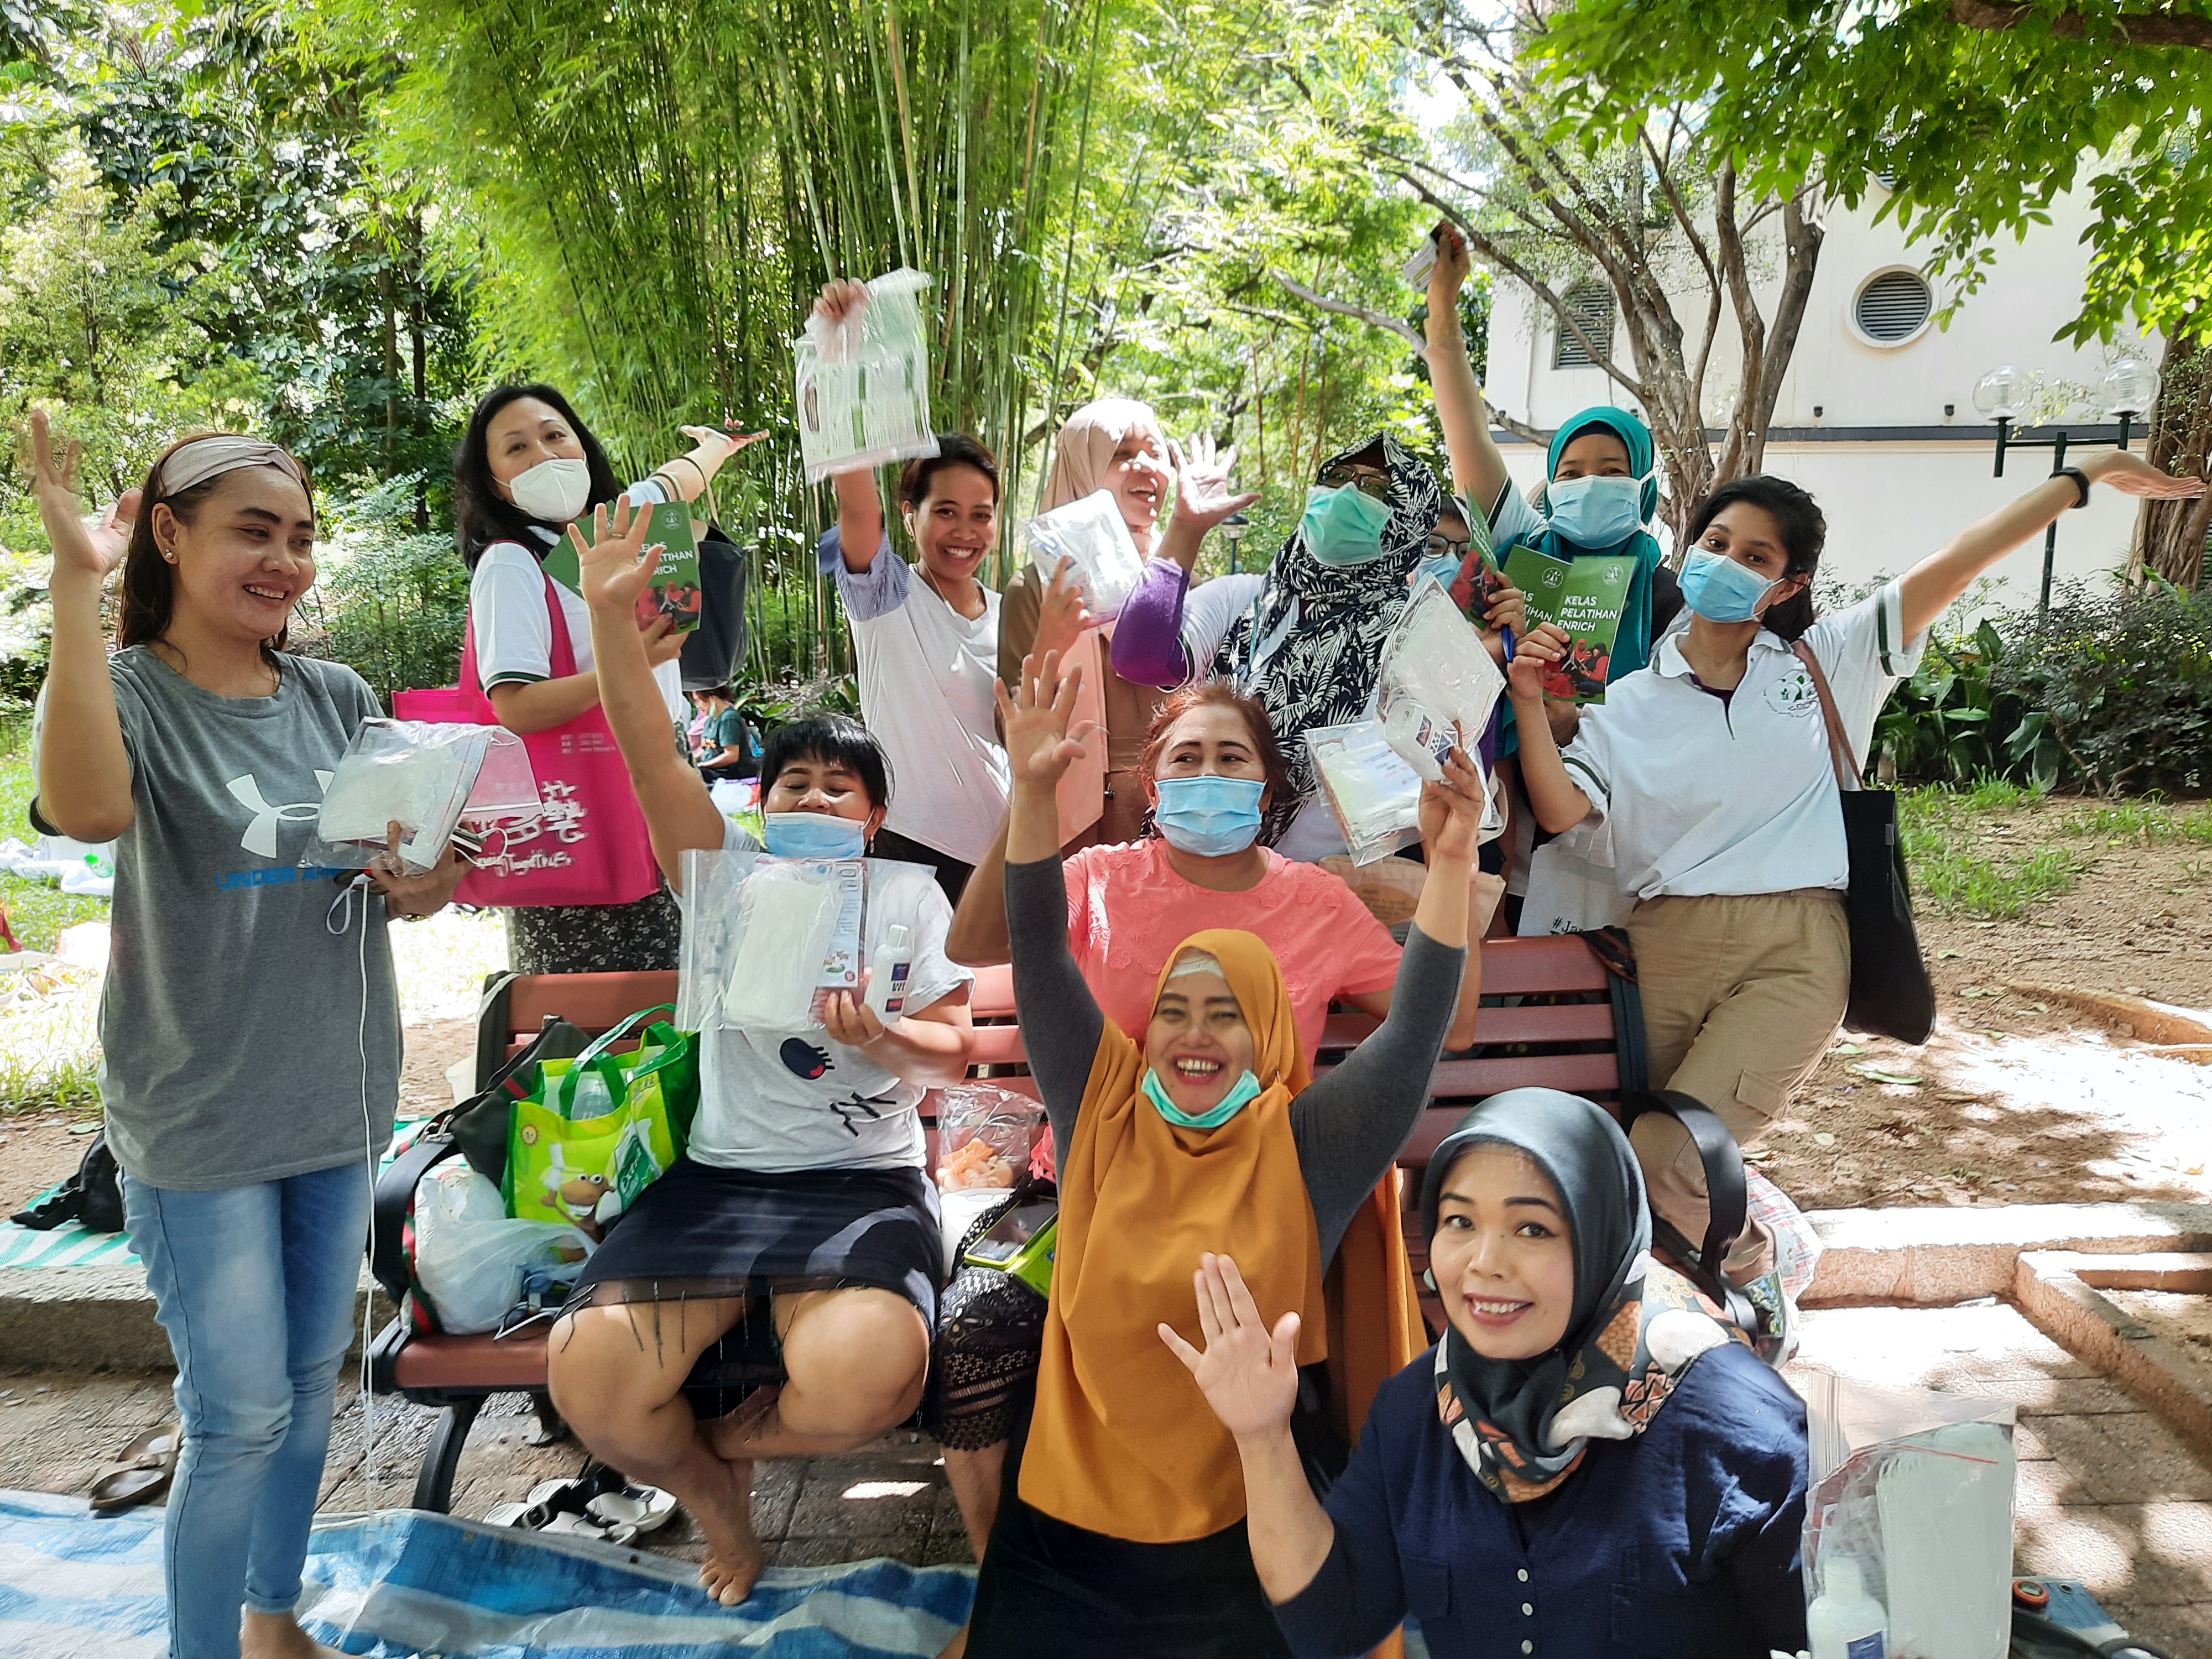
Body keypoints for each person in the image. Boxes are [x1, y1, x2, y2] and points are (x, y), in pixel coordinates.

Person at [1509, 456, 2204, 1292]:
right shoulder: (1628, 703)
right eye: (1716, 541)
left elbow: (1962, 558)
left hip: (1794, 954)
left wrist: (2080, 478)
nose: (1725, 562)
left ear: (1786, 583)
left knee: (1669, 1163)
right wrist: (1524, 699)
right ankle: (1690, 1297)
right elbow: (1560, 812)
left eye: (1756, 557)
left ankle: (1761, 1274)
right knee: (1619, 1160)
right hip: (1661, 948)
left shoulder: (1827, 662)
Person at [25, 413, 466, 1659]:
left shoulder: (337, 695)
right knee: (235, 1418)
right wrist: (74, 583)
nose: (285, 560)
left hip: (338, 1102)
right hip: (199, 1118)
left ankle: (275, 1618)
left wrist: (421, 874)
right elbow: (88, 806)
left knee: (308, 1395)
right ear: (168, 535)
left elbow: (414, 875)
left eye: (301, 538)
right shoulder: (124, 694)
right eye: (252, 532)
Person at [957, 645, 1485, 1658]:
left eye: (1230, 1015)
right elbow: (1032, 944)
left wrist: (1451, 866)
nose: (1197, 1037)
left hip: (1244, 1507)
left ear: (1275, 1041)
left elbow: (1417, 1029)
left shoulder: (1309, 1148)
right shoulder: (1101, 1104)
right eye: (1175, 1012)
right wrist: (1029, 790)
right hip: (1073, 1506)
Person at [546, 498, 978, 1606]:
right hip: (719, 1182)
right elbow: (651, 761)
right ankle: (715, 1505)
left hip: (862, 1185)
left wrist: (882, 1033)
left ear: (874, 818)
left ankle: (741, 1448)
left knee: (867, 1375)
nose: (815, 797)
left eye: (840, 786)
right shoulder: (726, 882)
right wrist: (608, 622)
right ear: (760, 800)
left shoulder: (908, 901)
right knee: (591, 1380)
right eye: (794, 782)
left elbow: (951, 1058)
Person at [1167, 1090, 1812, 1658]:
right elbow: (1333, 1626)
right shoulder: (1421, 1408)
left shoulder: (1736, 1429)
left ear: (1599, 1234)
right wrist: (1262, 1438)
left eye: (1531, 1228)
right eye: (1460, 1221)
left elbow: (1826, 1631)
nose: (1483, 1263)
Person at [454, 382, 761, 973]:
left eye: (553, 435)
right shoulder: (513, 562)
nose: (543, 456)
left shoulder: (622, 522)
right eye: (516, 449)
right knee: (592, 1010)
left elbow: (680, 479)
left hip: (664, 772)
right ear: (493, 481)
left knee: (678, 984)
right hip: (587, 790)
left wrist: (716, 448)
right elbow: (514, 707)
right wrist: (628, 665)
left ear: (582, 446)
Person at [1110, 432, 1446, 860]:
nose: (1345, 493)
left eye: (1375, 488)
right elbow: (1139, 659)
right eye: (1338, 476)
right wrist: (1186, 528)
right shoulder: (1246, 600)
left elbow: (1430, 786)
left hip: (1317, 894)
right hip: (1190, 864)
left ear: (1408, 523)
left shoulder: (1416, 638)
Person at [813, 279, 1009, 904]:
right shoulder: (885, 598)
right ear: (908, 515)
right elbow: (854, 502)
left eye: (982, 514)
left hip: (1006, 850)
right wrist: (839, 364)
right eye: (945, 511)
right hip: (911, 850)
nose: (965, 531)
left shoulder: (1010, 615)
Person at [997, 398, 1255, 849]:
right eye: (1121, 453)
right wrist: (1050, 642)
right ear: (1083, 468)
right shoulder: (1037, 587)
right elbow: (1012, 725)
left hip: (1174, 808)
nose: (1145, 465)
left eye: (1155, 452)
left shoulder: (1185, 582)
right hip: (1071, 813)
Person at [692, 684, 758, 782]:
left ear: (712, 698)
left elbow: (731, 756)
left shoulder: (728, 719)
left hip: (729, 773)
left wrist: (702, 765)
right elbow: (708, 748)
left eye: (699, 701)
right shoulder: (710, 720)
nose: (698, 707)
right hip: (713, 770)